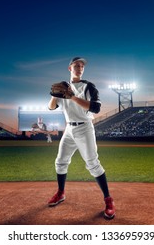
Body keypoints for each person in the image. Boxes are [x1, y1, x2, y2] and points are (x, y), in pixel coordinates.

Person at [47, 57, 115, 219]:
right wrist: (53, 95)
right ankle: (61, 193)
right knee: (60, 161)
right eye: (76, 65)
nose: (80, 68)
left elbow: (96, 108)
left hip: (84, 128)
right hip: (69, 129)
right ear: (69, 68)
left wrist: (72, 97)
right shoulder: (63, 87)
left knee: (93, 164)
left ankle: (108, 200)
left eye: (82, 66)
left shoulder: (88, 86)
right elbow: (51, 107)